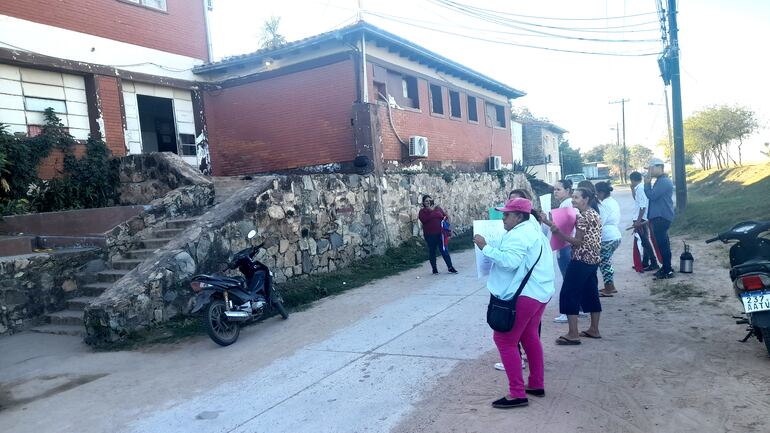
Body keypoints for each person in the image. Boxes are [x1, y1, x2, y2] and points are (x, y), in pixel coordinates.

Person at [473, 198, 555, 409]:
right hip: (540, 292)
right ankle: (536, 383)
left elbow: (510, 262)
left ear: (519, 216)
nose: (503, 218)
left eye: (507, 214)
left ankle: (517, 393)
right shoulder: (533, 230)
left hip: (524, 296)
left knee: (504, 339)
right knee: (529, 337)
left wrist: (484, 247)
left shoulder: (519, 234)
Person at [543, 187, 603, 345]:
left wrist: (557, 232)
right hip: (593, 258)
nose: (573, 200)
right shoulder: (593, 213)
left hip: (581, 259)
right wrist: (550, 223)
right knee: (591, 292)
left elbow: (577, 241)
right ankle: (594, 329)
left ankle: (573, 333)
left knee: (569, 293)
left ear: (586, 199)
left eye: (576, 197)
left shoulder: (583, 217)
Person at [644, 158, 675, 279]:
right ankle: (666, 267)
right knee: (663, 244)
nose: (649, 171)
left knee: (663, 244)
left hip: (661, 217)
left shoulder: (663, 181)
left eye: (651, 168)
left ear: (659, 167)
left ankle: (667, 270)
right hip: (660, 216)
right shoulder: (661, 180)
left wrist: (647, 184)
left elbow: (652, 195)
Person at [418, 195, 458, 275]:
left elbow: (445, 216)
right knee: (432, 251)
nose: (428, 202)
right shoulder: (422, 212)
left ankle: (450, 267)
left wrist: (445, 220)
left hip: (440, 234)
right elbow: (424, 220)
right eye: (426, 201)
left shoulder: (438, 209)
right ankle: (434, 269)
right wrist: (430, 210)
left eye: (430, 200)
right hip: (430, 235)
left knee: (444, 250)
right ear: (423, 203)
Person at [595, 182, 622, 297]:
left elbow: (600, 222)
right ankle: (610, 285)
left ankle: (609, 287)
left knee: (605, 263)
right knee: (606, 262)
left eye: (596, 194)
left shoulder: (604, 204)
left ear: (601, 193)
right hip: (614, 236)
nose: (595, 196)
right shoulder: (612, 201)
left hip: (607, 237)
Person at [630, 171, 659, 272]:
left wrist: (638, 221)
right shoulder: (638, 188)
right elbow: (637, 201)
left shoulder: (640, 189)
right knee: (644, 241)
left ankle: (654, 262)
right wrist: (632, 190)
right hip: (642, 217)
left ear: (632, 180)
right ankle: (646, 262)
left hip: (642, 218)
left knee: (645, 241)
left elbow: (642, 206)